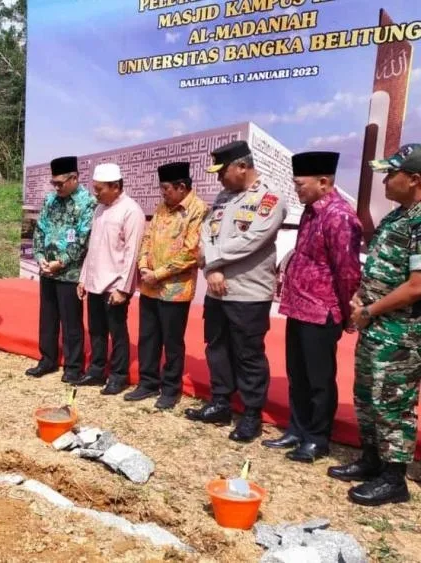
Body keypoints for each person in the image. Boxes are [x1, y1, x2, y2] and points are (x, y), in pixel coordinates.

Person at [328, 144, 421, 506]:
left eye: (391, 173)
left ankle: (393, 477)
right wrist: (360, 302)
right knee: (367, 397)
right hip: (377, 327)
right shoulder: (397, 217)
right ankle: (371, 460)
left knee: (392, 403)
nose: (385, 179)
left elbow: (416, 286)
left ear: (414, 179)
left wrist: (370, 310)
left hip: (402, 334)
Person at [185, 140, 287, 442]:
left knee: (248, 354)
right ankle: (220, 403)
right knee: (216, 347)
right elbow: (205, 234)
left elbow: (252, 240)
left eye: (222, 171)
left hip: (248, 293)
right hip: (216, 291)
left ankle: (252, 415)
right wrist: (212, 269)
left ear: (242, 166)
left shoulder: (269, 198)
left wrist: (213, 259)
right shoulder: (223, 197)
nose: (218, 179)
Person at [265, 152, 362, 462]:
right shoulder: (311, 211)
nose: (296, 190)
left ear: (323, 182)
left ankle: (317, 438)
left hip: (322, 311)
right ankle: (297, 428)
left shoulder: (340, 216)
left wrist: (347, 314)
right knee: (297, 373)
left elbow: (347, 271)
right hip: (298, 307)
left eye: (300, 184)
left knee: (319, 379)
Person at [127, 162, 207, 409]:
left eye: (166, 189)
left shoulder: (198, 210)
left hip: (175, 289)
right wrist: (142, 266)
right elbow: (148, 239)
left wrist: (158, 274)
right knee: (148, 337)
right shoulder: (162, 207)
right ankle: (147, 382)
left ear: (181, 187)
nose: (163, 194)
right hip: (150, 285)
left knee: (172, 342)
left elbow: (191, 252)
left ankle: (170, 389)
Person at [76, 163, 146, 395]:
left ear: (115, 187)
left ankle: (118, 376)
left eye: (99, 189)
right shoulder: (100, 209)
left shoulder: (131, 211)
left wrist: (123, 289)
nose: (95, 193)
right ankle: (96, 371)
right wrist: (83, 278)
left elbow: (131, 253)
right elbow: (93, 248)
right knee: (96, 329)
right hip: (95, 282)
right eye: (94, 189)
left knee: (116, 332)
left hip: (114, 285)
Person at [26, 156, 96, 382]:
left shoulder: (87, 203)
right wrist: (39, 257)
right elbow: (40, 231)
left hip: (70, 273)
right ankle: (47, 359)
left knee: (71, 322)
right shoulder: (50, 200)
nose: (56, 188)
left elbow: (83, 239)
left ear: (74, 178)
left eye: (60, 183)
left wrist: (62, 261)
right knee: (47, 318)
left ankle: (73, 367)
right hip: (47, 269)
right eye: (53, 183)